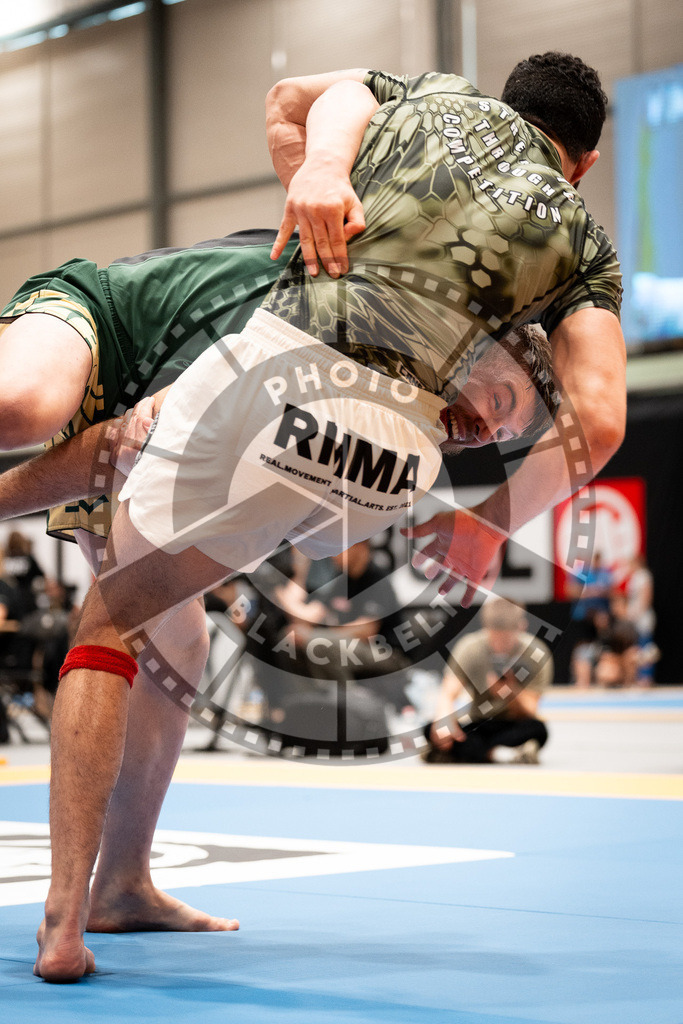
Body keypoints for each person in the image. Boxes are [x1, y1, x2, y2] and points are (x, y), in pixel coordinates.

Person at [31, 53, 627, 981]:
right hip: (392, 466)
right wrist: (484, 523)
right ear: (582, 163)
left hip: (287, 375)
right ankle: (127, 882)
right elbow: (598, 420)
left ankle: (67, 923)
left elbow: (299, 97)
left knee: (115, 613)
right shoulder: (586, 242)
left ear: (502, 101)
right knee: (190, 617)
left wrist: (315, 172)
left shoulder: (433, 99)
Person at [423, 598, 552, 764]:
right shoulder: (470, 648)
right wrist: (444, 721)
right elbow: (448, 693)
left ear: (521, 627)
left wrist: (508, 693)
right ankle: (495, 751)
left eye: (505, 640)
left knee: (538, 730)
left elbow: (530, 709)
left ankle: (472, 752)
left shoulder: (536, 653)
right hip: (480, 722)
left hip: (514, 724)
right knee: (429, 728)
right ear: (486, 629)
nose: (499, 646)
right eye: (495, 639)